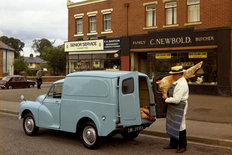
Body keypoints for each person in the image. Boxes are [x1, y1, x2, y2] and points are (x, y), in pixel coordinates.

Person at [162, 66, 189, 153]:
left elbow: (177, 100)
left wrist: (166, 98)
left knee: (180, 125)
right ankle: (173, 144)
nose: (172, 76)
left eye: (173, 74)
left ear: (178, 74)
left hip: (179, 105)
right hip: (174, 105)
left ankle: (182, 146)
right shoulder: (177, 81)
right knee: (173, 123)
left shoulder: (181, 84)